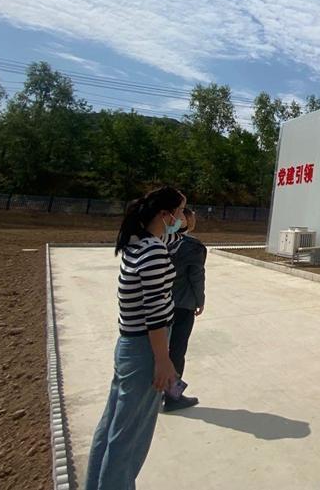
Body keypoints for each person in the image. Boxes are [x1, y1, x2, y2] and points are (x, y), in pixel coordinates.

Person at [85, 186, 186, 490]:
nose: (182, 218)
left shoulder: (138, 242)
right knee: (129, 439)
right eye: (180, 212)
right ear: (165, 214)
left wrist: (183, 225)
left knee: (113, 427)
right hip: (146, 349)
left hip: (130, 345)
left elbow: (174, 237)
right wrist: (163, 360)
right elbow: (154, 313)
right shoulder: (154, 252)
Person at [164, 207, 207, 412]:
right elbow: (196, 277)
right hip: (182, 305)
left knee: (158, 350)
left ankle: (154, 393)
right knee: (177, 351)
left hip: (159, 304)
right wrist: (200, 300)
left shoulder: (159, 241)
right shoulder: (193, 247)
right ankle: (173, 397)